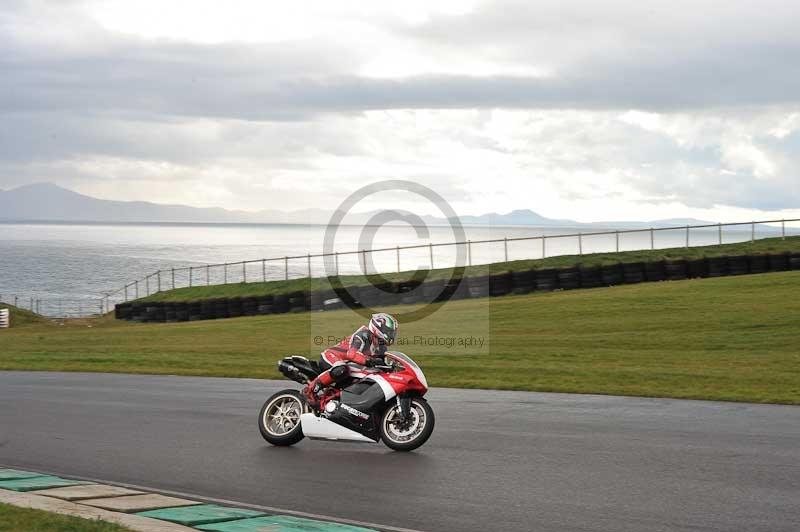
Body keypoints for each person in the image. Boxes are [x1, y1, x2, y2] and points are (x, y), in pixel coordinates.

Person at [306, 313, 398, 407]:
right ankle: (311, 390)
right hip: (332, 357)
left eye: (392, 332)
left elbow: (382, 364)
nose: (391, 334)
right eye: (389, 331)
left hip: (349, 363)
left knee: (372, 375)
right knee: (342, 369)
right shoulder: (364, 335)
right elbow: (352, 354)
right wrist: (370, 361)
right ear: (379, 327)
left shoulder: (381, 346)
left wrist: (392, 368)